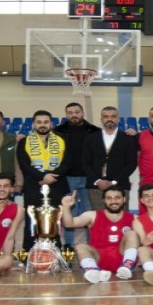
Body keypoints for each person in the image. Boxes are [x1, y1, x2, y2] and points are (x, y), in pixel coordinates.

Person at [60, 186, 139, 283]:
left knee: (132, 234)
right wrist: (66, 207)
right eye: (109, 198)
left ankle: (127, 266)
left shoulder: (135, 218)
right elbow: (69, 224)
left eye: (117, 197)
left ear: (124, 199)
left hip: (122, 256)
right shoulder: (92, 215)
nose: (113, 201)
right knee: (81, 246)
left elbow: (144, 240)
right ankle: (92, 271)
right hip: (99, 259)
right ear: (104, 200)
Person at [17, 110, 69, 251]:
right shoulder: (24, 141)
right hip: (33, 185)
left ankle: (55, 250)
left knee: (56, 218)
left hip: (57, 185)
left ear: (51, 123)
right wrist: (42, 177)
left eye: (46, 122)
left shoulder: (62, 139)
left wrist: (51, 177)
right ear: (33, 124)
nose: (42, 125)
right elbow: (24, 165)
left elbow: (67, 162)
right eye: (39, 122)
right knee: (31, 219)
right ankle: (28, 251)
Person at [53, 102, 101, 249]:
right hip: (66, 177)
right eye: (70, 112)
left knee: (90, 212)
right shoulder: (56, 131)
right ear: (66, 114)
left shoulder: (95, 131)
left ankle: (91, 244)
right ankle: (68, 245)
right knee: (68, 212)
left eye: (76, 112)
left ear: (82, 113)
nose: (74, 115)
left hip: (89, 178)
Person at [81, 106, 137, 210]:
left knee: (121, 219)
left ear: (118, 119)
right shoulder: (90, 138)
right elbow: (85, 162)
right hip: (96, 187)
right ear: (101, 120)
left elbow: (131, 164)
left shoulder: (128, 138)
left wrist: (114, 182)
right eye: (106, 117)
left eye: (113, 116)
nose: (109, 119)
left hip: (120, 186)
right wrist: (97, 181)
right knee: (98, 219)